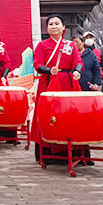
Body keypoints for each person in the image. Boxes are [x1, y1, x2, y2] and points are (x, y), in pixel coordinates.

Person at [31, 14, 83, 163]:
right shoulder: (42, 45)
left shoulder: (71, 45)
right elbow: (37, 64)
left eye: (57, 23)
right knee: (49, 115)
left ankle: (74, 151)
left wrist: (77, 70)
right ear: (47, 29)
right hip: (49, 82)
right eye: (51, 24)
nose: (54, 26)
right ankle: (48, 152)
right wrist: (48, 70)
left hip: (67, 82)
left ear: (63, 27)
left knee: (69, 114)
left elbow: (77, 61)